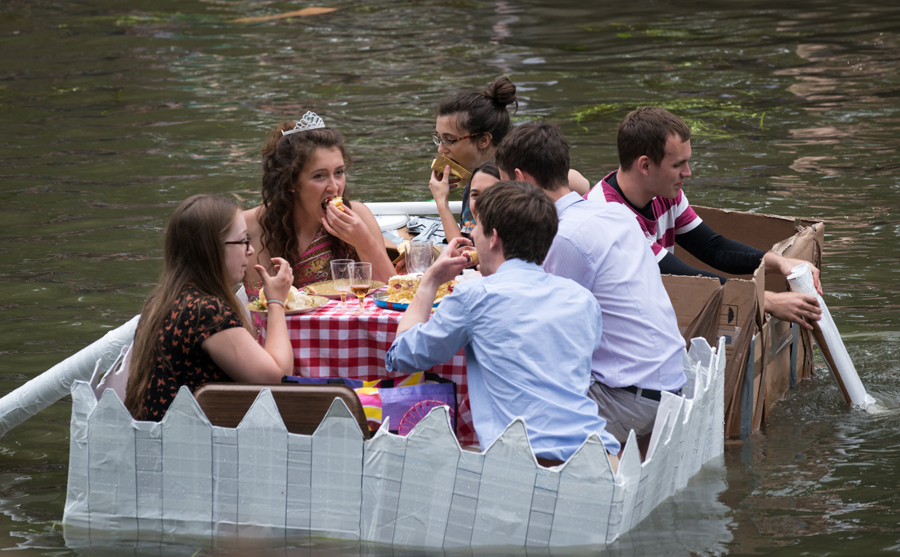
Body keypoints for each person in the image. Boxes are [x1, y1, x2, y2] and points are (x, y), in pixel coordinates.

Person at [386, 181, 620, 466]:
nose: (471, 233)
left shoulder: (473, 297)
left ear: (493, 237)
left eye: (477, 227)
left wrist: (430, 282)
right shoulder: (583, 300)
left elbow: (402, 356)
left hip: (525, 465)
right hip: (600, 456)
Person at [495, 121, 686, 450]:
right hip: (670, 383)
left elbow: (544, 333)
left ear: (521, 179)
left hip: (630, 399)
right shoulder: (613, 213)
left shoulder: (563, 236)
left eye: (504, 188)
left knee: (502, 384)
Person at [585, 107, 823, 329]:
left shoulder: (665, 193)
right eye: (678, 164)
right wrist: (764, 299)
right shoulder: (610, 218)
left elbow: (712, 247)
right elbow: (683, 276)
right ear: (645, 165)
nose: (688, 173)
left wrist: (777, 262)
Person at [124, 194, 294, 421]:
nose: (250, 250)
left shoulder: (165, 300)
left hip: (162, 438)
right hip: (191, 446)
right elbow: (277, 379)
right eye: (244, 240)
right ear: (212, 248)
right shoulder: (206, 312)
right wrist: (276, 302)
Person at [243, 112, 394, 297]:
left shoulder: (359, 217)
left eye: (339, 172)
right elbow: (212, 290)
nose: (334, 187)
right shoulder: (246, 228)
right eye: (319, 176)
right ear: (290, 183)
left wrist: (364, 243)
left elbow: (393, 294)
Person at [429, 77, 590, 242]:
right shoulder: (476, 177)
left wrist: (442, 202)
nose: (441, 148)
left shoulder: (497, 182)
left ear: (484, 140)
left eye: (449, 140)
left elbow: (465, 254)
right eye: (439, 138)